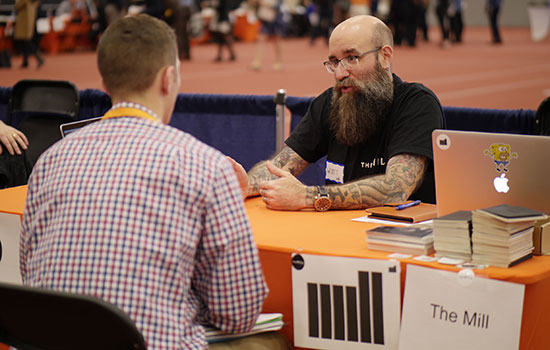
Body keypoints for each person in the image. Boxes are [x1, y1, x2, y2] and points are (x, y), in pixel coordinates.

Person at [20, 14, 275, 350]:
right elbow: (237, 313)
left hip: (51, 342)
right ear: (168, 79)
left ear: (107, 82)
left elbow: (31, 274)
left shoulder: (50, 160)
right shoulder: (204, 165)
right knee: (269, 343)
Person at [232, 15, 444, 211]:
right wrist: (247, 186)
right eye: (334, 62)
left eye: (352, 58)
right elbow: (281, 165)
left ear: (384, 56)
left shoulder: (417, 103)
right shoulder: (331, 101)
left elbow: (397, 188)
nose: (340, 73)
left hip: (400, 238)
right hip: (338, 232)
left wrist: (308, 196)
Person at [14, 0, 44, 68]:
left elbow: (17, 6)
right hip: (29, 19)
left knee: (26, 41)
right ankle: (26, 61)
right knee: (25, 41)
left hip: (24, 21)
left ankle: (38, 57)